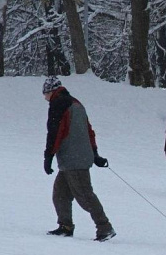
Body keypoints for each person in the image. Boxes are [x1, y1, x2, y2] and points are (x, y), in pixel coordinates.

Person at [42, 76, 115, 241]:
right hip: (76, 157)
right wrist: (94, 154)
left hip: (73, 158)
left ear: (50, 91)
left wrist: (48, 156)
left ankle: (105, 228)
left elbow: (54, 132)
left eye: (45, 94)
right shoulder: (76, 103)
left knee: (85, 196)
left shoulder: (58, 104)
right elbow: (89, 130)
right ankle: (65, 226)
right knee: (60, 193)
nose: (45, 98)